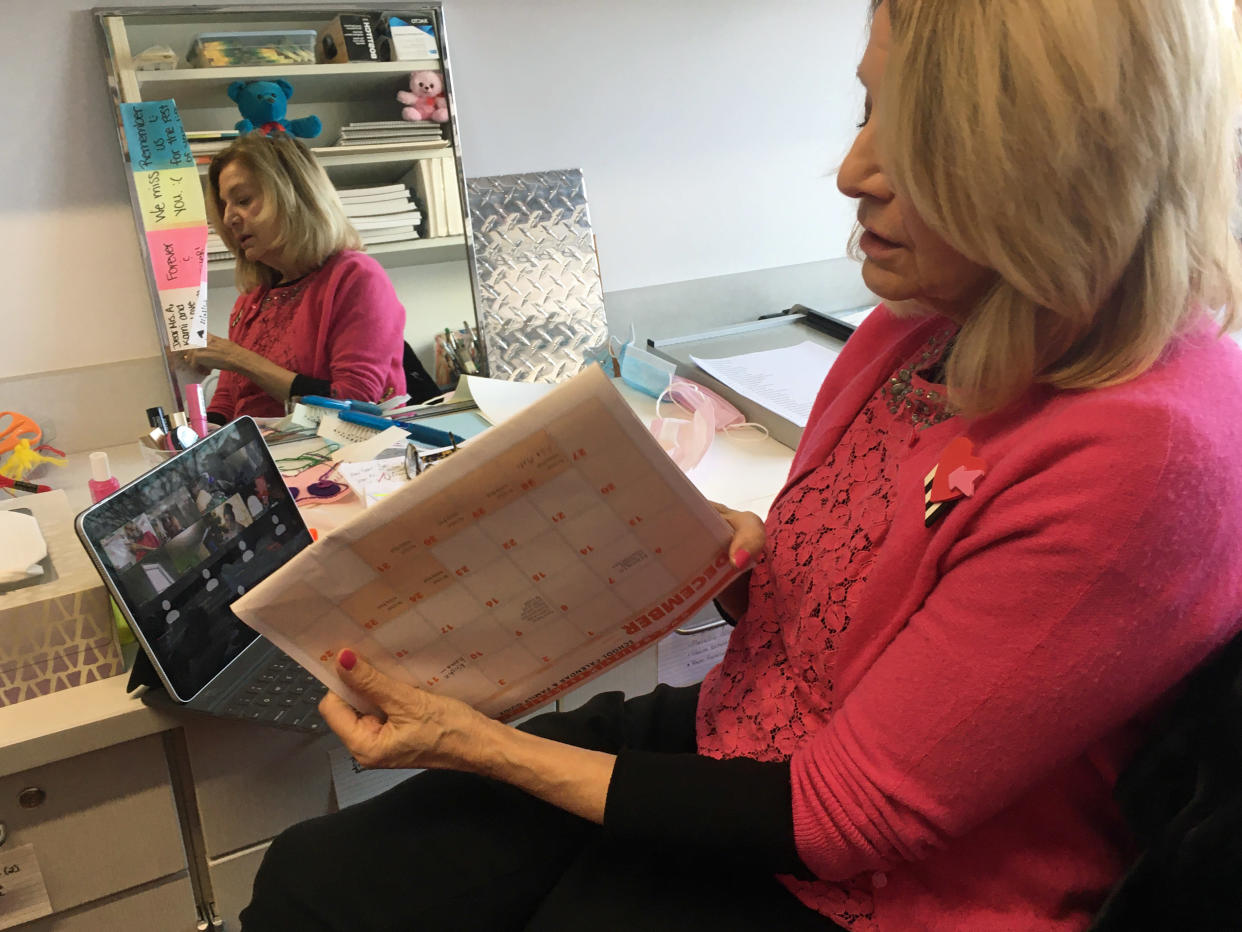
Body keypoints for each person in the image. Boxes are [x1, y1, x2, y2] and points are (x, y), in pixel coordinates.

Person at [240, 2, 1242, 930]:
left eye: (922, 136)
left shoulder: (1147, 449)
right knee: (311, 881)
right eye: (868, 108)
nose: (852, 170)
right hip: (749, 734)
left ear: (1069, 163)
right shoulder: (922, 322)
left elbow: (844, 817)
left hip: (880, 885)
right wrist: (739, 567)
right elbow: (857, 610)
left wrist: (477, 739)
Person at [182, 132, 427, 424]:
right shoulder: (250, 300)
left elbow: (357, 402)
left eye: (244, 200)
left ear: (294, 196)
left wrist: (238, 358)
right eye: (225, 206)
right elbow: (227, 403)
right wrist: (198, 437)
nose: (228, 219)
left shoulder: (355, 277)